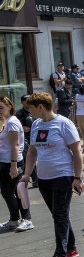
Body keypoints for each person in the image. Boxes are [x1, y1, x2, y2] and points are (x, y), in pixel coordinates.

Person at [20, 93, 84, 257]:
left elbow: (77, 152)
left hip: (63, 176)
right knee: (58, 215)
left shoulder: (64, 124)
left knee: (60, 215)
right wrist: (26, 174)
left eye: (31, 107)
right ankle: (71, 249)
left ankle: (59, 255)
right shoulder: (37, 125)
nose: (29, 110)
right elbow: (32, 151)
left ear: (41, 107)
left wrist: (78, 178)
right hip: (44, 178)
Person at [0, 97, 33, 232]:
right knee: (10, 192)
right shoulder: (4, 122)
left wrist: (14, 165)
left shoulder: (12, 122)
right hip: (4, 161)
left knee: (16, 191)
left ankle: (26, 219)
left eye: (1, 107)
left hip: (12, 161)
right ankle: (15, 219)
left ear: (9, 107)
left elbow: (15, 145)